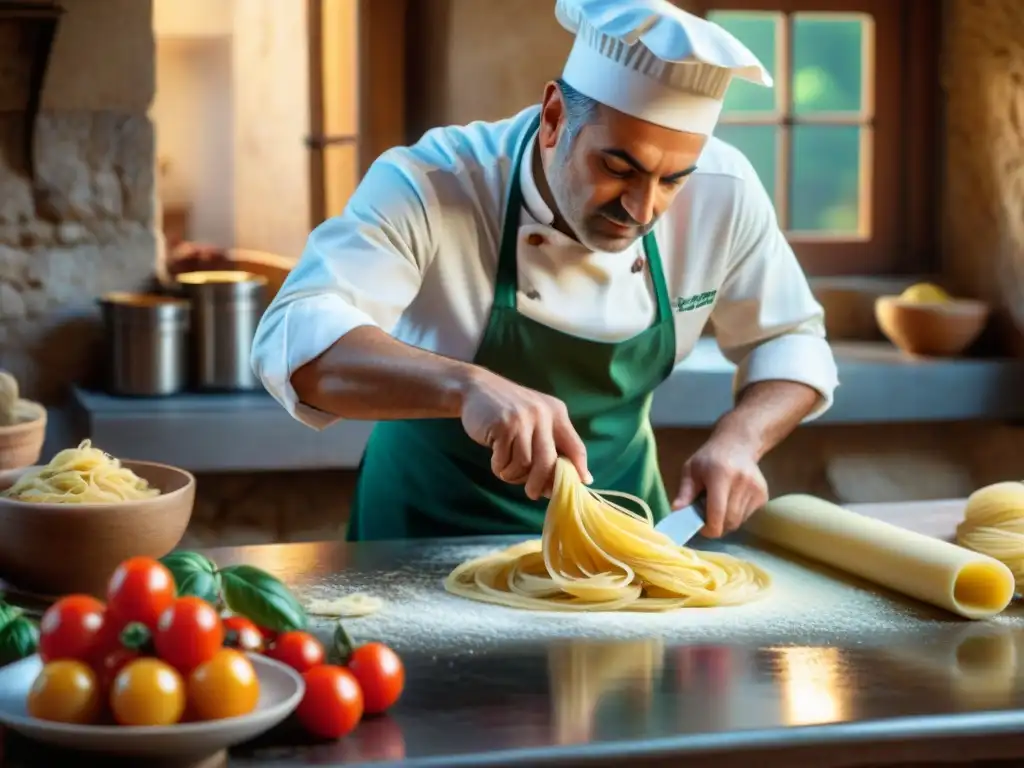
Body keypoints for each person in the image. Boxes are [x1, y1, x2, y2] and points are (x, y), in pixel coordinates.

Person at [251, 0, 840, 542]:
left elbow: (790, 338)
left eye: (672, 181)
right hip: (423, 536)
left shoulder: (725, 192)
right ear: (554, 116)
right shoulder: (434, 183)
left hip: (620, 541)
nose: (641, 208)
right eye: (617, 166)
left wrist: (741, 441)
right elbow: (296, 338)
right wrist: (467, 386)